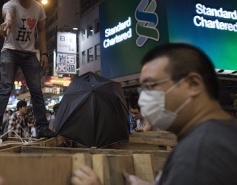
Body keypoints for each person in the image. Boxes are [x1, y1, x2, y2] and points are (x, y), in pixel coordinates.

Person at [72, 43, 237, 185]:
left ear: (193, 84)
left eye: (151, 85)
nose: (144, 97)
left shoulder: (197, 155)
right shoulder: (225, 134)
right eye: (142, 89)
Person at [0, 0, 57, 141]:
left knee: (36, 91)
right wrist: (8, 22)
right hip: (10, 50)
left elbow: (41, 32)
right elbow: (8, 14)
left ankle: (42, 127)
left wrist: (45, 53)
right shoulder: (10, 5)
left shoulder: (38, 8)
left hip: (29, 53)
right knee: (5, 87)